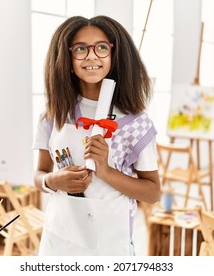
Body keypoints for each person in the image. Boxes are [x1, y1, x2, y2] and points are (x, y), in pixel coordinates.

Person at [33, 15, 160, 256]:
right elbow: (39, 174)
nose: (91, 56)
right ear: (68, 60)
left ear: (114, 56)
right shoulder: (53, 115)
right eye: (80, 49)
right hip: (59, 241)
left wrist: (106, 171)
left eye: (102, 47)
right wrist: (52, 181)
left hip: (109, 245)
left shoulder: (135, 122)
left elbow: (153, 192)